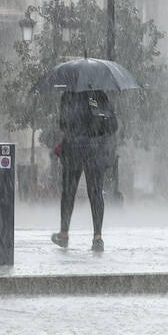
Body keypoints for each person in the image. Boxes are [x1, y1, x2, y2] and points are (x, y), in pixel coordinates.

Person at [51, 90, 117, 253]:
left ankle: (64, 234)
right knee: (96, 193)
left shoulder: (68, 95)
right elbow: (113, 125)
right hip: (95, 151)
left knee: (68, 192)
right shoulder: (101, 95)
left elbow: (62, 124)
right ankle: (97, 237)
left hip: (73, 149)